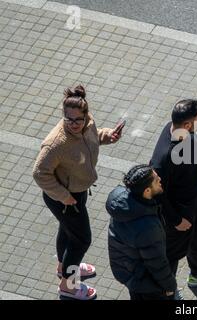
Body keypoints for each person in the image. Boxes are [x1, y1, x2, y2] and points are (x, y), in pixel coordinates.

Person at [32, 84, 121, 300]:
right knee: (81, 239)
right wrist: (64, 196)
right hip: (64, 198)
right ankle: (68, 286)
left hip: (77, 192)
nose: (73, 124)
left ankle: (65, 266)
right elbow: (39, 173)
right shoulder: (56, 143)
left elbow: (91, 137)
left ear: (85, 115)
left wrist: (107, 136)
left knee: (69, 232)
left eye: (77, 120)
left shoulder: (87, 123)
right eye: (68, 119)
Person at [150, 99, 197, 294]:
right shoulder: (164, 158)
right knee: (171, 255)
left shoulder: (182, 132)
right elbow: (156, 194)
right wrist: (176, 220)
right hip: (179, 214)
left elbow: (194, 165)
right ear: (188, 124)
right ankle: (167, 292)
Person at [106, 165, 177, 300]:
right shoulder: (147, 227)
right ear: (147, 190)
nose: (160, 179)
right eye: (156, 180)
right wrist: (170, 286)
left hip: (129, 272)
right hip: (144, 281)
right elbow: (157, 263)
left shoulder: (124, 204)